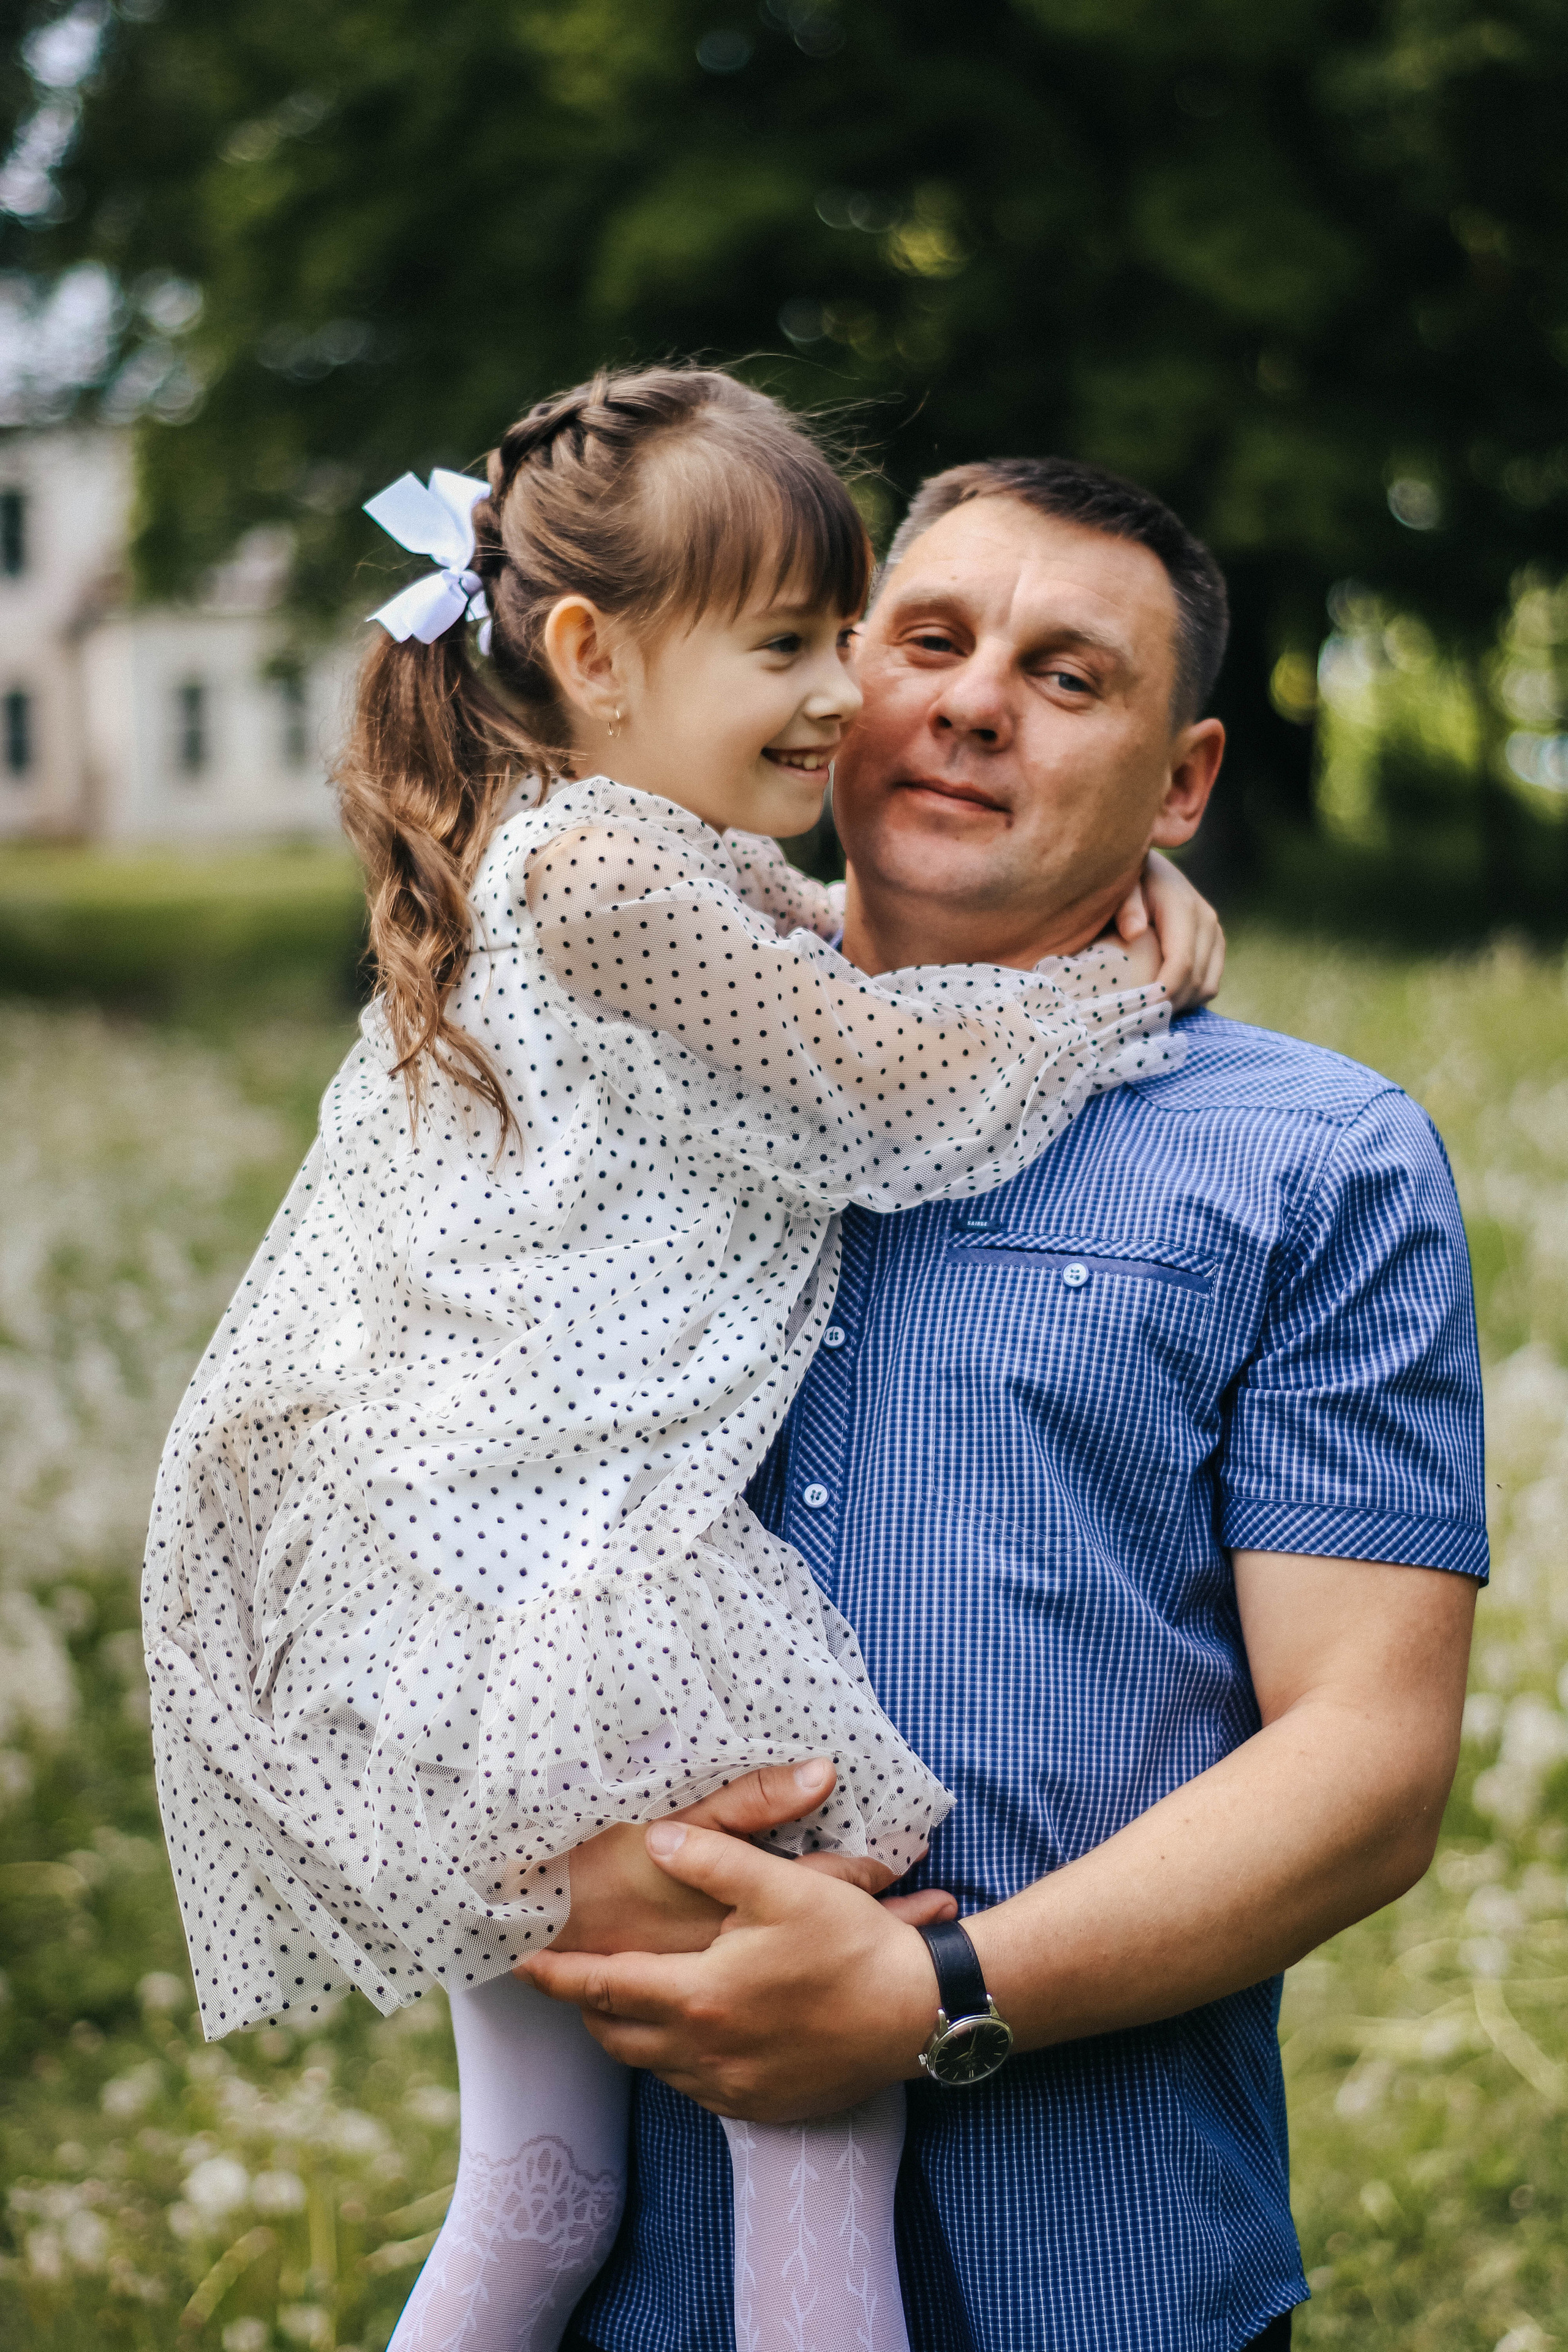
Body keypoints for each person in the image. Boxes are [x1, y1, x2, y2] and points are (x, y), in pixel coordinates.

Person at [140, 371, 1222, 2352]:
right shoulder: (606, 877)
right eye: (793, 644)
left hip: (460, 1625)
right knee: (822, 2139)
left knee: (539, 2199)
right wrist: (1100, 989)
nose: (838, 699)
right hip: (569, 1617)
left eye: (839, 637)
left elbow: (810, 950)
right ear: (591, 654)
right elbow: (873, 1076)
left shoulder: (596, 854)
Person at [530, 458, 1488, 2352]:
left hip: (1108, 2265)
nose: (974, 701)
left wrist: (933, 1992)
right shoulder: (603, 1086)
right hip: (629, 2264)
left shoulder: (1315, 1161)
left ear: (1188, 780)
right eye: (931, 642)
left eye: (1070, 678)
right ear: (829, 685)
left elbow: (1368, 1763)